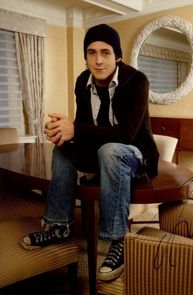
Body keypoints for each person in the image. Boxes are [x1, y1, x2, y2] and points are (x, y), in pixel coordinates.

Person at [20, 24, 159, 281]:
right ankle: (59, 225)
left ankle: (117, 240)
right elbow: (83, 125)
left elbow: (126, 133)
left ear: (117, 56)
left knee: (110, 150)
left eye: (105, 52)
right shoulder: (82, 81)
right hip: (102, 153)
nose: (97, 60)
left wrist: (77, 130)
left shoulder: (137, 81)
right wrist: (63, 132)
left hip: (134, 154)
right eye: (91, 52)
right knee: (63, 150)